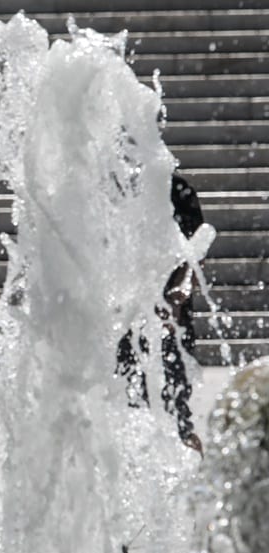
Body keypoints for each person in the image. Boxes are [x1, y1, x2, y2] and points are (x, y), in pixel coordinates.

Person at [116, 173, 205, 454]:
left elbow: (197, 248)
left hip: (170, 310)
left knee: (176, 401)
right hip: (124, 312)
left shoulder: (176, 189)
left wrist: (179, 293)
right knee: (124, 399)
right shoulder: (111, 188)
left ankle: (189, 465)